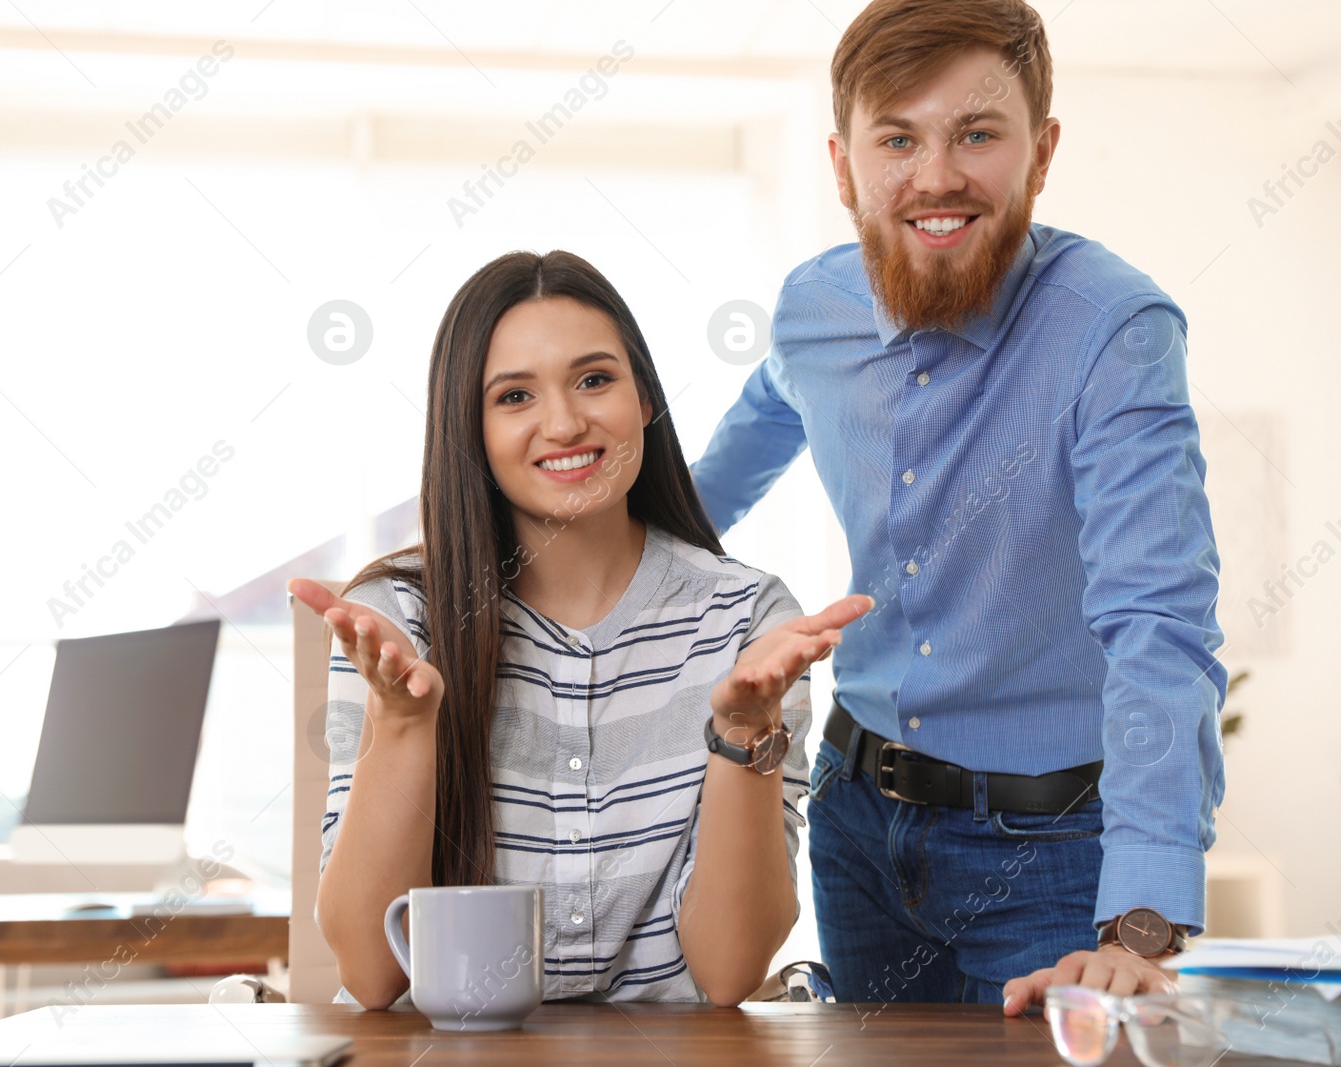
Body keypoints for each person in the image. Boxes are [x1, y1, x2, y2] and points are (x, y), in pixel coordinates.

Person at [690, 0, 1225, 1016]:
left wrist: (1142, 921)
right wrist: (512, 550)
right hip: (855, 822)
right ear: (844, 164)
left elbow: (1157, 624)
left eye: (976, 133)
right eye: (898, 137)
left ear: (1041, 151)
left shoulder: (1114, 331)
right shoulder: (813, 310)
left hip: (1052, 855)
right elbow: (707, 487)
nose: (936, 175)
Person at [289, 250, 871, 1008]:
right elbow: (372, 974)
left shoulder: (747, 623)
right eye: (515, 396)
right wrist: (403, 726)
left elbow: (728, 971)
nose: (564, 422)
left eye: (595, 380)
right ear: (470, 428)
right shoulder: (400, 619)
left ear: (646, 402)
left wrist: (742, 731)